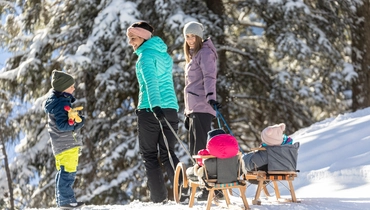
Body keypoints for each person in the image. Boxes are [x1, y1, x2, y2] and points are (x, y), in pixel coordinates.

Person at [126, 21, 180, 203]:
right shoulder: (165, 56)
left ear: (143, 37)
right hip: (171, 109)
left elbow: (151, 82)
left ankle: (158, 198)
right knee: (168, 153)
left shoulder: (145, 56)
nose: (130, 42)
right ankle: (184, 192)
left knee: (149, 154)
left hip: (151, 110)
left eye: (133, 38)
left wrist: (155, 106)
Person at [182, 21, 222, 201]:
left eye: (193, 36)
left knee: (201, 151)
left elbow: (209, 76)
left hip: (202, 107)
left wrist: (211, 97)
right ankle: (208, 186)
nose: (190, 40)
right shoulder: (194, 55)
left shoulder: (205, 53)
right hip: (194, 109)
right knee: (195, 150)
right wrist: (187, 112)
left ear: (199, 36)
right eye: (187, 36)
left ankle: (210, 188)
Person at [43, 70, 85, 209]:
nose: (74, 88)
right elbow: (62, 125)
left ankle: (63, 200)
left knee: (64, 171)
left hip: (62, 144)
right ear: (63, 88)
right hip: (66, 144)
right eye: (71, 86)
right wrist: (75, 123)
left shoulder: (59, 102)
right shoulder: (61, 104)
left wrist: (75, 119)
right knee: (68, 172)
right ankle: (66, 201)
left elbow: (63, 121)